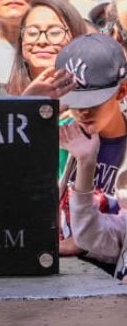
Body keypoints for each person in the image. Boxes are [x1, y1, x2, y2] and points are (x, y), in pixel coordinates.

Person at [59, 34, 127, 276]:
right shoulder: (59, 132)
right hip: (61, 273)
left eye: (94, 102)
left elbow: (105, 238)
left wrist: (80, 239)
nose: (83, 111)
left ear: (121, 92)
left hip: (111, 280)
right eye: (75, 102)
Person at [4, 0, 85, 97]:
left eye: (54, 32)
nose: (42, 41)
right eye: (33, 33)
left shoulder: (92, 102)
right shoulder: (2, 99)